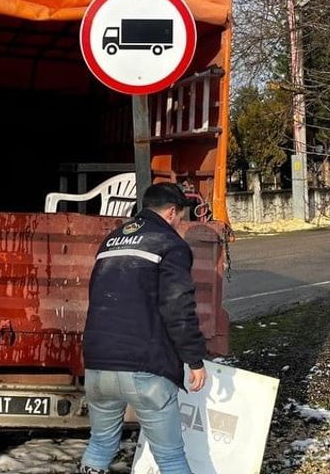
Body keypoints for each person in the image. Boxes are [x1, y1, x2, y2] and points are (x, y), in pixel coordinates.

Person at [80, 183, 208, 474]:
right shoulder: (169, 243)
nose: (180, 225)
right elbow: (178, 307)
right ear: (172, 212)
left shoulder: (110, 241)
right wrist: (194, 359)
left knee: (100, 444)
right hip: (145, 366)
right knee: (171, 457)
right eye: (181, 218)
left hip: (98, 365)